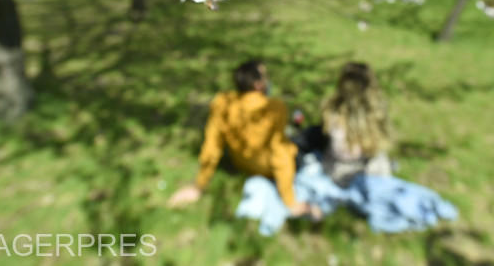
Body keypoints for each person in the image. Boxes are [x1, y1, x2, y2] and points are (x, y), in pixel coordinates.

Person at [168, 60, 318, 217]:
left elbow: (212, 146)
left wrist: (198, 186)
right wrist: (290, 201)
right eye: (265, 77)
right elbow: (280, 155)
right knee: (311, 135)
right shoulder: (275, 107)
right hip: (269, 169)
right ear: (259, 84)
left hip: (242, 163)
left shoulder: (222, 102)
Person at [320, 62, 393, 187]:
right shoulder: (376, 113)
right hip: (368, 174)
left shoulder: (332, 111)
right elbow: (379, 145)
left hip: (337, 172)